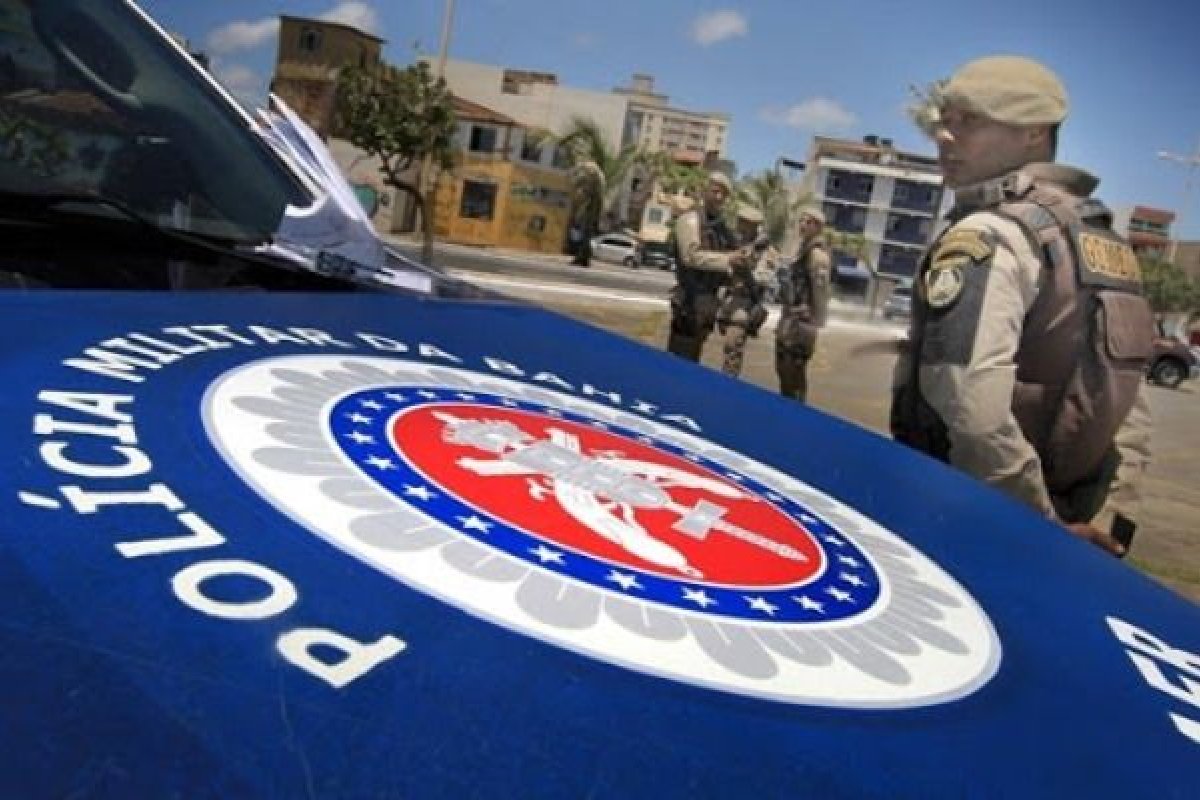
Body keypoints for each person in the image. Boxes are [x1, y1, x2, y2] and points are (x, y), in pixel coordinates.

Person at [890, 55, 1155, 557]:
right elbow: (1130, 411)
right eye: (944, 122)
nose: (946, 136)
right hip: (1067, 527)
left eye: (969, 120)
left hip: (967, 518)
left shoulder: (990, 233)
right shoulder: (1104, 244)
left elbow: (971, 407)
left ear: (1034, 133)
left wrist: (1037, 524)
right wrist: (1106, 522)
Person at [666, 171, 748, 362]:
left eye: (723, 194)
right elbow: (690, 257)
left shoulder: (721, 228)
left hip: (708, 304)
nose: (718, 197)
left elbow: (730, 255)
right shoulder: (690, 220)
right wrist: (728, 260)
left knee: (693, 357)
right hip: (690, 301)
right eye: (715, 191)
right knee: (679, 358)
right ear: (705, 191)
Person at [774, 208, 831, 401]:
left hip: (801, 324)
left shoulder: (816, 255)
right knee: (784, 372)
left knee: (794, 376)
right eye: (802, 221)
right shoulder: (801, 250)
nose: (803, 225)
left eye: (809, 222)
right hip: (790, 319)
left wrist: (815, 319)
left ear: (819, 227)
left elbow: (820, 292)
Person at [715, 205, 772, 377]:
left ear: (752, 225)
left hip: (745, 303)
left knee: (733, 346)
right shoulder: (737, 244)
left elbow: (765, 278)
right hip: (728, 301)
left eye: (743, 223)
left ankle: (729, 384)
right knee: (727, 347)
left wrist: (746, 269)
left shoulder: (764, 251)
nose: (739, 226)